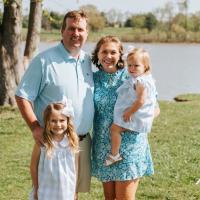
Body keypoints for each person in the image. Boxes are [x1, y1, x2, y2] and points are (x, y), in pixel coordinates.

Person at [15, 10, 94, 198]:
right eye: (71, 28)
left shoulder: (88, 61)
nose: (76, 33)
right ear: (62, 31)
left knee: (71, 194)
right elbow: (22, 96)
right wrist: (35, 127)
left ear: (87, 33)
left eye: (80, 29)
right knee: (47, 193)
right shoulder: (44, 60)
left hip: (81, 141)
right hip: (54, 143)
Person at [91, 36, 160, 200]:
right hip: (103, 147)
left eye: (113, 52)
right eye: (104, 52)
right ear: (97, 55)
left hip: (129, 145)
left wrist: (133, 123)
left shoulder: (132, 75)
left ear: (120, 54)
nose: (108, 56)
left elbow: (155, 108)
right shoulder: (92, 79)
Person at [105, 47, 158, 166]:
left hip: (136, 115)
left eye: (136, 66)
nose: (132, 68)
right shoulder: (145, 78)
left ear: (145, 66)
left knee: (115, 129)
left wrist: (129, 112)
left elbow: (141, 101)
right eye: (129, 65)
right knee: (116, 129)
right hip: (137, 114)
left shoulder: (140, 82)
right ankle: (115, 154)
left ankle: (114, 154)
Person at [29, 100, 79, 200]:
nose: (58, 124)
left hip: (66, 190)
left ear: (68, 121)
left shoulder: (72, 141)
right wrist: (36, 188)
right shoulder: (43, 142)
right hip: (46, 189)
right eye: (53, 121)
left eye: (62, 120)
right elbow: (33, 167)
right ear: (47, 122)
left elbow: (76, 167)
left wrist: (74, 190)